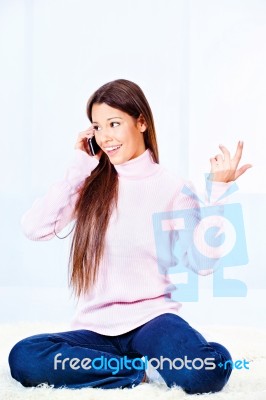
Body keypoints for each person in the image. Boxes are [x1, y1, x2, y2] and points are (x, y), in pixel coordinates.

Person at [8, 79, 252, 394]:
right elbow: (34, 227)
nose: (105, 136)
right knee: (24, 357)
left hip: (153, 320)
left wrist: (217, 195)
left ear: (141, 122)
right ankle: (133, 371)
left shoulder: (174, 188)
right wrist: (79, 165)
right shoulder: (89, 184)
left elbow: (202, 264)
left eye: (114, 123)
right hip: (96, 330)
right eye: (97, 127)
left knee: (202, 375)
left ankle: (183, 351)